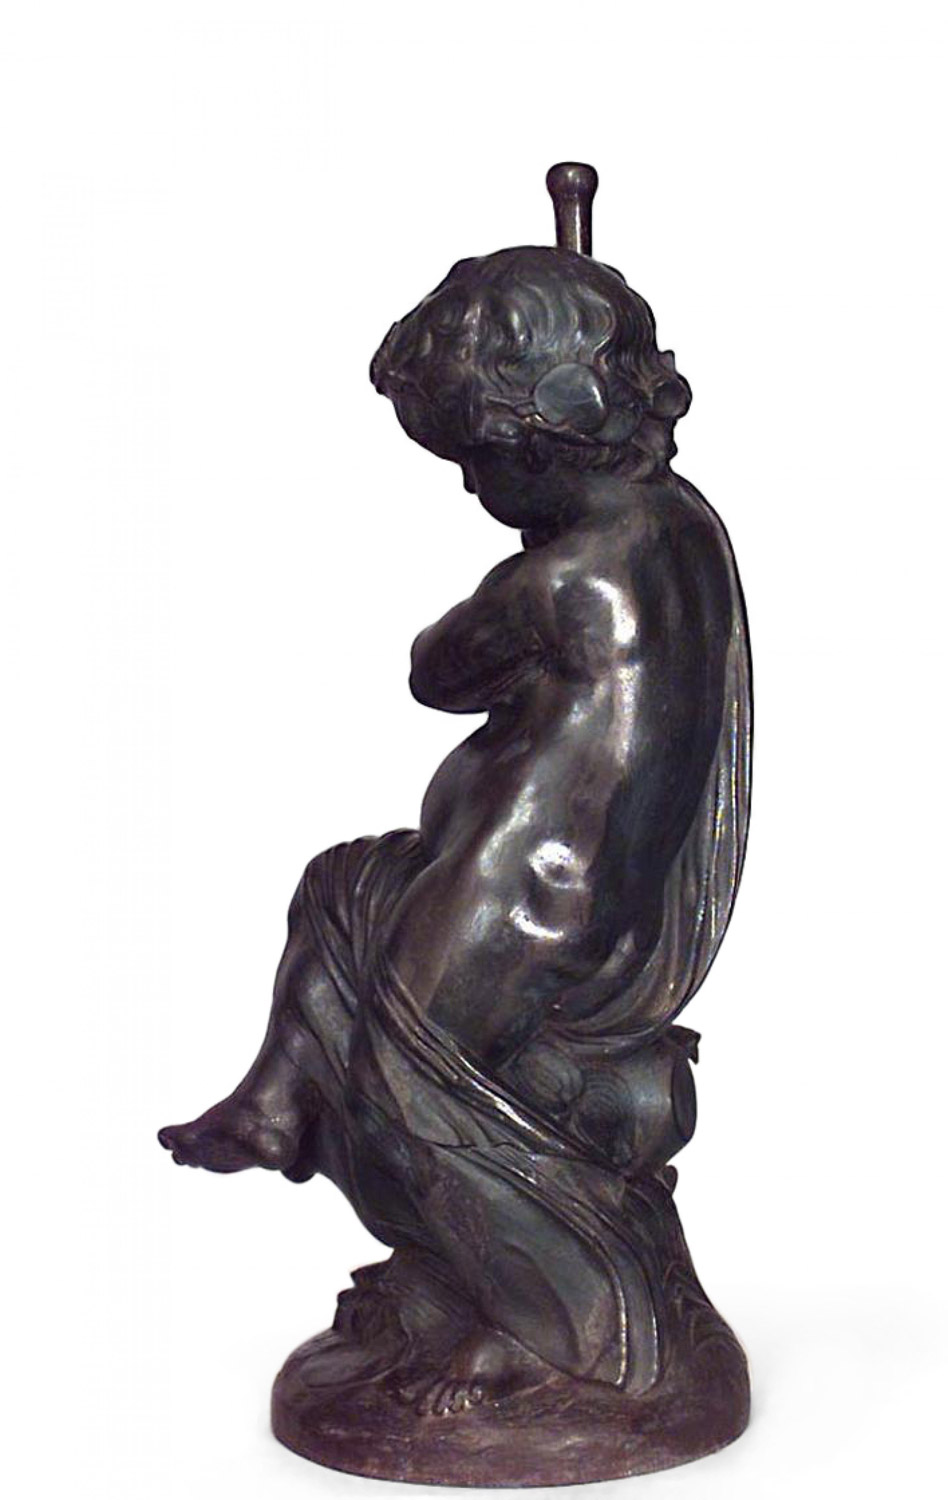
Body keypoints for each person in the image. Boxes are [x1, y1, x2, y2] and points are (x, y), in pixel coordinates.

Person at [159, 246, 751, 1416]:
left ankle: (553, 1329)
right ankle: (282, 1105)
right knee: (340, 888)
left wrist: (516, 585)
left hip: (507, 899)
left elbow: (435, 674)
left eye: (479, 463)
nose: (475, 491)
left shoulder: (563, 582)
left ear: (537, 440)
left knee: (414, 1095)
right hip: (561, 892)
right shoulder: (687, 531)